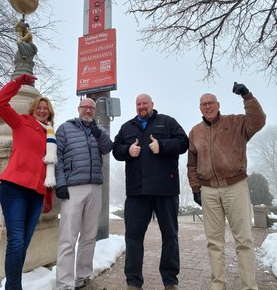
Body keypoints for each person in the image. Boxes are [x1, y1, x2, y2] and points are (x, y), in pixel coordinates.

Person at [187, 82, 266, 290]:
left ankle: (249, 286)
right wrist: (196, 189)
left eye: (211, 102)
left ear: (218, 104)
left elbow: (258, 121)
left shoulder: (236, 123)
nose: (208, 106)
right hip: (209, 191)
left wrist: (247, 96)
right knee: (214, 243)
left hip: (235, 186)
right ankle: (218, 286)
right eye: (203, 104)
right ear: (200, 108)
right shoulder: (195, 132)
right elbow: (191, 164)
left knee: (244, 241)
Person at [113, 94, 189, 290]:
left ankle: (170, 280)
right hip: (137, 192)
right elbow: (116, 149)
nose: (141, 106)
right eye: (138, 104)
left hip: (166, 190)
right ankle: (133, 281)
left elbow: (183, 142)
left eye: (144, 103)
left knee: (170, 235)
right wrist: (127, 150)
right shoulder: (127, 127)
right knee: (133, 237)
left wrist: (162, 145)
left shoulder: (167, 122)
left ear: (152, 105)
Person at [0, 73, 57, 290]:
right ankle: (13, 288)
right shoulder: (21, 122)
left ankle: (12, 285)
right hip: (15, 189)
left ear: (50, 113)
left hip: (37, 193)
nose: (42, 110)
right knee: (16, 242)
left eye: (45, 108)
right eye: (39, 107)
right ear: (32, 109)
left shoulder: (51, 136)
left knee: (24, 244)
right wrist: (17, 83)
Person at [55, 98, 113, 290]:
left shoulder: (100, 131)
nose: (88, 110)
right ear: (78, 108)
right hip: (72, 188)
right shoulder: (65, 128)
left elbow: (107, 148)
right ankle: (64, 283)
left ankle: (83, 278)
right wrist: (60, 184)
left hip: (95, 187)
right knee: (68, 238)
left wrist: (98, 134)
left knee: (89, 237)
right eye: (84, 107)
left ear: (94, 111)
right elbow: (58, 158)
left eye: (91, 108)